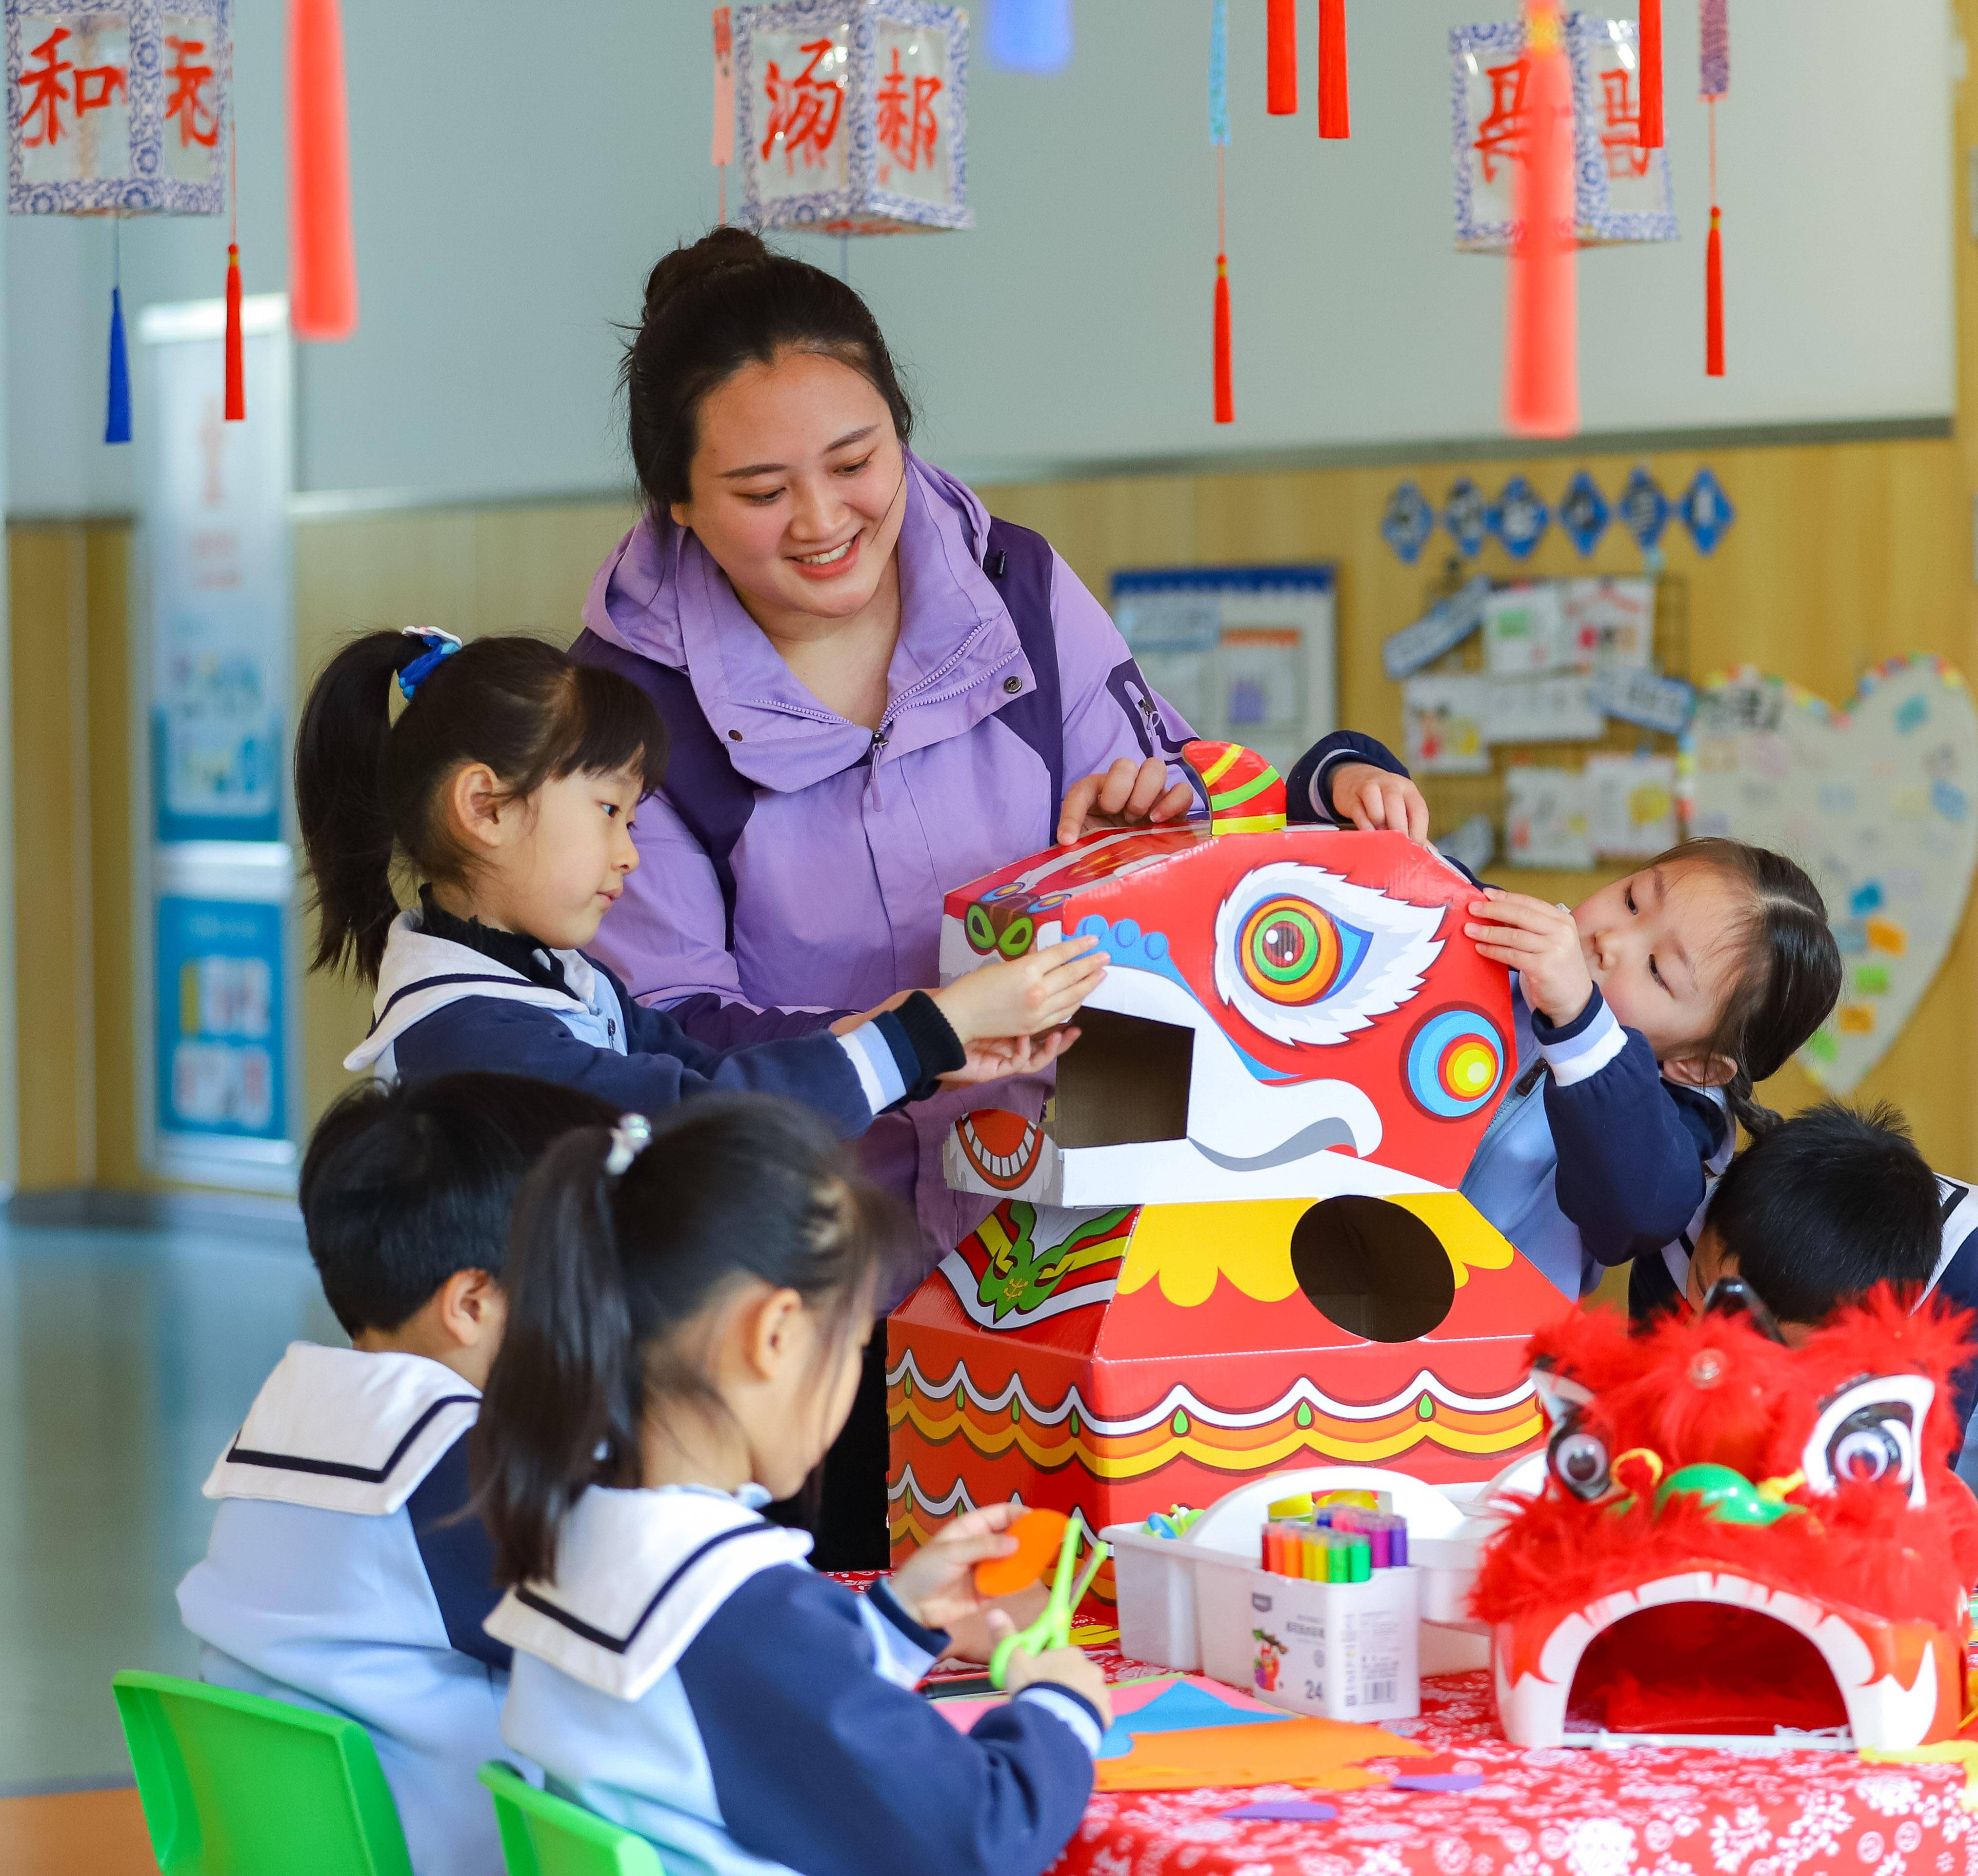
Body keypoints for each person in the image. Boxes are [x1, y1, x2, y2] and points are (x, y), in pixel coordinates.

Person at [576, 230, 1427, 1564]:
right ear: (676, 504)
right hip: (797, 1303)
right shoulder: (631, 707)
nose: (821, 520)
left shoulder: (1018, 588)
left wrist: (1127, 840)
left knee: (1097, 1641)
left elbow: (1185, 851)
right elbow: (674, 1044)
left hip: (1077, 1250)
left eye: (856, 464)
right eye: (757, 488)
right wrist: (927, 1031)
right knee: (865, 1655)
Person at [475, 1095, 1108, 1874]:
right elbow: (976, 1837)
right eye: (852, 1348)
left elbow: (746, 1716)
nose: (847, 1385)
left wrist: (902, 1621)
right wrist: (1062, 1706)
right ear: (772, 1336)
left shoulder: (580, 1538)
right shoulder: (732, 1600)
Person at [296, 629, 1102, 1129]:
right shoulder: (471, 1034)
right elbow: (694, 1120)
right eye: (609, 811)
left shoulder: (546, 979)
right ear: (485, 807)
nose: (629, 855)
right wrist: (928, 1030)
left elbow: (700, 1072)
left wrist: (906, 1036)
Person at [177, 1072, 621, 1876]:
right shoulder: (447, 1462)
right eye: (584, 1279)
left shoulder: (284, 1418)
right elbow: (637, 1641)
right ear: (473, 1303)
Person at [1447, 833, 1843, 1303]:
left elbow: (1639, 1216)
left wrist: (1580, 1025)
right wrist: (1348, 772)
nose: (1609, 940)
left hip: (1467, 1332)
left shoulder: (1669, 1134)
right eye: (1631, 901)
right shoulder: (1506, 933)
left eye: (1657, 970)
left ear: (1694, 1065)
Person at [1679, 1101, 1978, 1518]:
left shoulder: (1951, 1292)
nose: (1714, 1334)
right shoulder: (1692, 1225)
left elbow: (1904, 1495)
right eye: (1705, 1288)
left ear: (1853, 1327)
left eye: (1761, 1337)